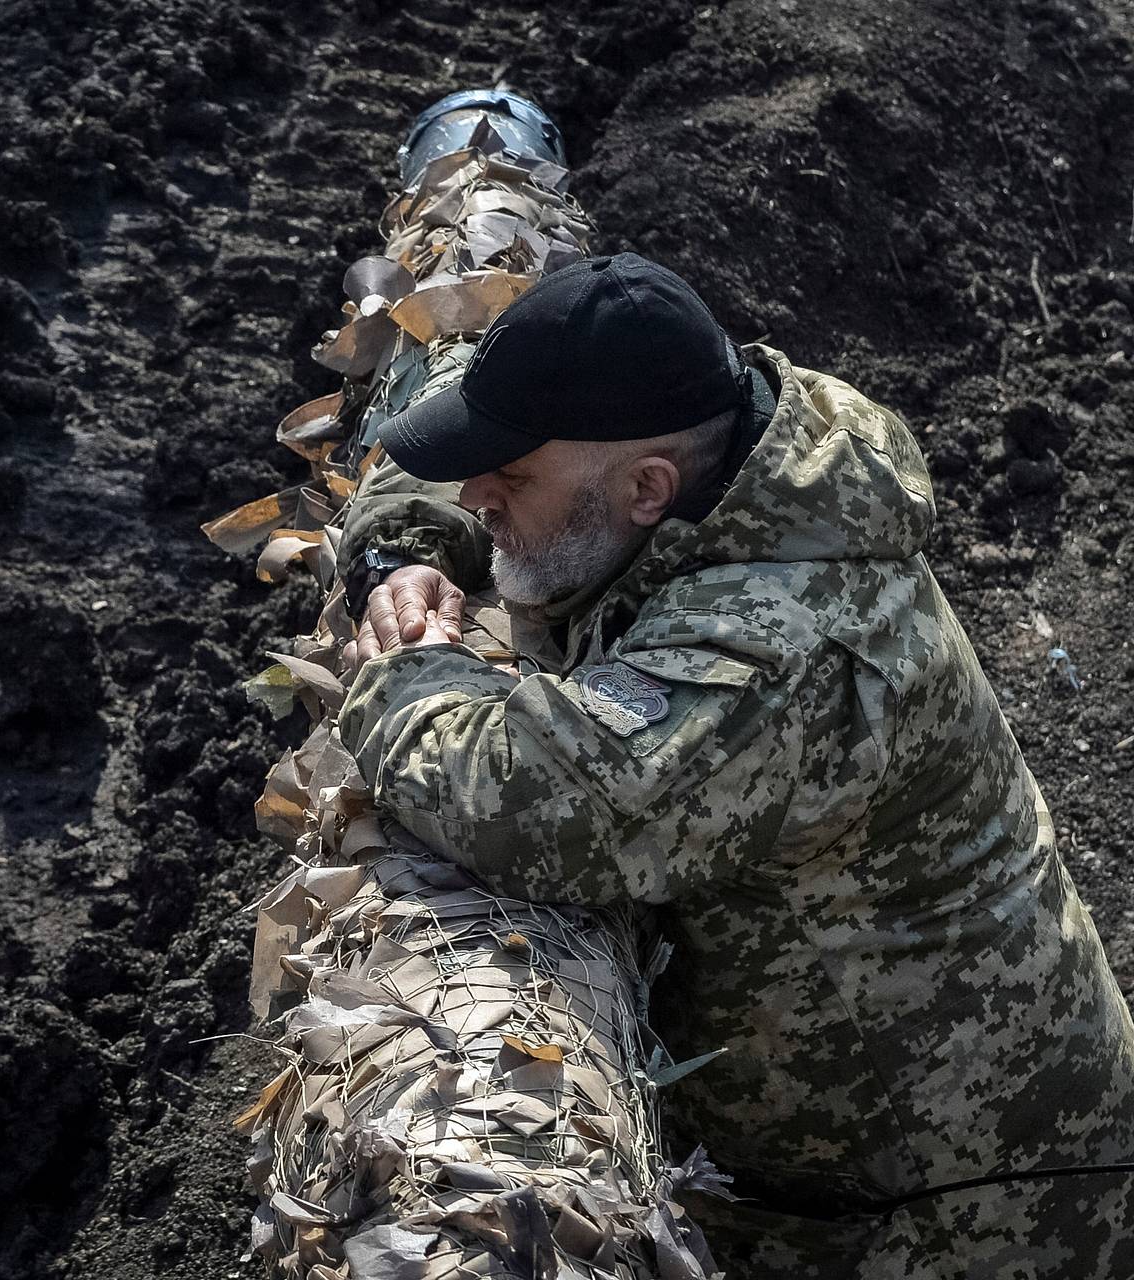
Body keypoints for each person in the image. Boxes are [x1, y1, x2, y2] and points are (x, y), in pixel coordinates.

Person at [333, 253, 1134, 1278]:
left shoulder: (780, 648)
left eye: (511, 477)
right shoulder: (710, 462)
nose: (478, 493)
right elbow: (439, 403)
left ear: (648, 488)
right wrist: (399, 552)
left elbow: (528, 802)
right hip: (838, 1166)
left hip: (966, 1211)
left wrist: (403, 669)